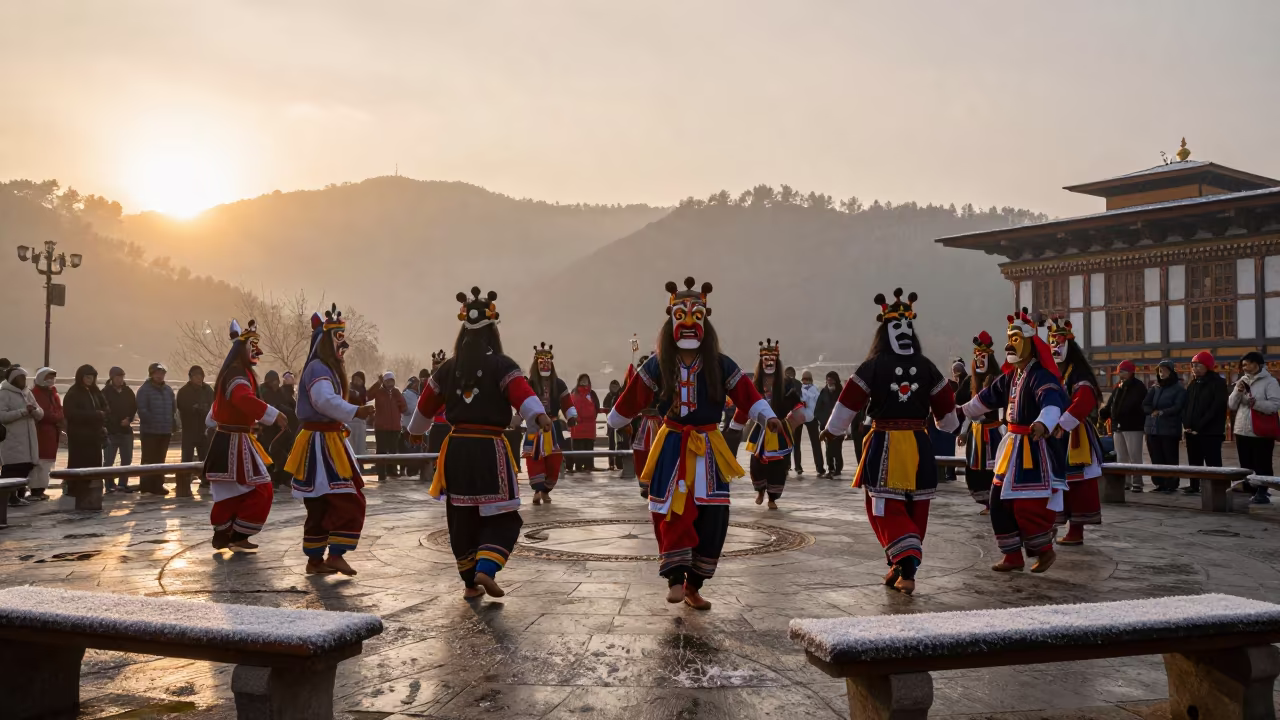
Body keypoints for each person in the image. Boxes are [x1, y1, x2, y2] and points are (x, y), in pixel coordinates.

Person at [608, 278, 776, 610]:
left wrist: (767, 416)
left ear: (705, 321)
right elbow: (634, 396)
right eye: (681, 316)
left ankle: (694, 585)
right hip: (672, 444)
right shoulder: (658, 363)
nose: (688, 323)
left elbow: (746, 392)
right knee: (672, 510)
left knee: (714, 516)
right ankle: (674, 578)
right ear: (670, 319)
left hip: (709, 448)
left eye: (697, 316)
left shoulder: (720, 363)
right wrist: (617, 419)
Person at [408, 287, 552, 599]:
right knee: (501, 513)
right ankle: (487, 568)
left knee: (462, 516)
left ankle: (470, 584)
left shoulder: (449, 367)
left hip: (457, 448)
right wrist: (538, 416)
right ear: (492, 330)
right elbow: (521, 393)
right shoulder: (502, 365)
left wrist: (416, 430)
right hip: (489, 448)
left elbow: (425, 405)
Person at [822, 289, 958, 595]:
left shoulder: (874, 365)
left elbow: (850, 400)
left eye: (905, 326)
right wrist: (949, 425)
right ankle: (899, 567)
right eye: (899, 327)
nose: (904, 332)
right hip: (920, 444)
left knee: (884, 508)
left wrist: (833, 430)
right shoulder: (927, 366)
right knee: (915, 508)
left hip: (885, 445)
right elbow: (946, 409)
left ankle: (906, 568)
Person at [960, 308, 1066, 575]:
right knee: (998, 500)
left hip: (1032, 448)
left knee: (1027, 503)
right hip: (1010, 446)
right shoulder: (1011, 376)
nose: (1009, 344)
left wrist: (1043, 422)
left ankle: (1043, 550)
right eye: (1009, 338)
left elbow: (1052, 402)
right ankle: (1011, 555)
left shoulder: (1040, 376)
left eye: (1016, 338)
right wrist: (960, 412)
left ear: (1030, 342)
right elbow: (986, 398)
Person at [284, 305, 376, 575]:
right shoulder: (318, 368)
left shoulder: (323, 368)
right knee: (346, 497)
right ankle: (332, 555)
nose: (343, 345)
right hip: (321, 442)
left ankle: (316, 561)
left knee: (322, 501)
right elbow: (323, 400)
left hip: (327, 439)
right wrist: (354, 411)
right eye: (338, 338)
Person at [205, 320, 288, 552]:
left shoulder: (234, 373)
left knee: (232, 490)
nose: (257, 352)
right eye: (253, 346)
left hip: (232, 439)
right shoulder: (236, 374)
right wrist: (272, 414)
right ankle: (236, 535)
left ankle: (226, 535)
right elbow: (242, 399)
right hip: (233, 442)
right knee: (259, 488)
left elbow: (215, 411)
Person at [1046, 316, 1103, 545]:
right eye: (1052, 342)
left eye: (1059, 342)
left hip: (1074, 434)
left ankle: (1076, 530)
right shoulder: (1051, 373)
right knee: (1056, 481)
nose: (1055, 347)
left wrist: (1063, 423)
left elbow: (1084, 400)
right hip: (1053, 433)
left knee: (1077, 484)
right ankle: (1052, 524)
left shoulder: (1078, 374)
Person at [740, 340, 804, 509]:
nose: (769, 362)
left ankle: (772, 498)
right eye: (766, 359)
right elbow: (746, 404)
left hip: (780, 429)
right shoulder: (756, 383)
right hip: (761, 430)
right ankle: (760, 490)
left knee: (778, 465)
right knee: (757, 463)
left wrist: (791, 422)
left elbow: (797, 406)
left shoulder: (786, 383)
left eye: (772, 359)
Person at [523, 343, 577, 503]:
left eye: (548, 362)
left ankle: (546, 489)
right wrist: (517, 419)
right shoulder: (529, 384)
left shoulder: (558, 384)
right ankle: (537, 490)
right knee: (534, 458)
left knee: (554, 459)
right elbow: (522, 403)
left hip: (553, 427)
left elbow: (567, 402)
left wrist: (571, 416)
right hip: (534, 427)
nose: (545, 365)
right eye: (541, 362)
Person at [956, 332, 1002, 514]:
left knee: (993, 468)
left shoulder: (998, 379)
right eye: (977, 357)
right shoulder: (971, 381)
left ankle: (994, 502)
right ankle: (986, 502)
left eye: (983, 357)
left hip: (994, 432)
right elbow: (967, 408)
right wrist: (963, 431)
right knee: (975, 469)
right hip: (976, 433)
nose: (979, 360)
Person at [1229, 351, 1280, 504]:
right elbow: (1231, 405)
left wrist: (1255, 403)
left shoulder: (1270, 382)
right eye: (1244, 364)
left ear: (1258, 364)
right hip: (1242, 429)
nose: (1246, 367)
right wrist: (1237, 392)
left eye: (1249, 363)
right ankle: (1250, 488)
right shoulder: (1242, 380)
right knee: (1246, 464)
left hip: (1261, 431)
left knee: (1263, 463)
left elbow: (1274, 405)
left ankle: (1263, 491)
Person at [1182, 351, 1228, 495]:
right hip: (1192, 431)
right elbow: (1186, 406)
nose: (1194, 368)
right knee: (1194, 461)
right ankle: (1194, 485)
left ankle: (1217, 487)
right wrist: (1187, 425)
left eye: (1198, 365)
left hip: (1210, 431)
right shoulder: (1193, 384)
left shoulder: (1218, 383)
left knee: (1212, 461)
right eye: (1193, 365)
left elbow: (1216, 408)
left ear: (1207, 366)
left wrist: (1199, 426)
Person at [1099, 360, 1147, 491]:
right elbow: (1111, 403)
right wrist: (1105, 412)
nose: (1120, 374)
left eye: (1123, 371)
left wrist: (1117, 413)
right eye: (1119, 371)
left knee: (1134, 456)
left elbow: (1134, 404)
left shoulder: (1138, 386)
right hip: (1118, 426)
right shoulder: (1118, 386)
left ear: (1131, 372)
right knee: (1121, 456)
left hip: (1132, 425)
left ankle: (1137, 483)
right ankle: (1125, 482)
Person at [0, 367, 43, 507]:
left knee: (25, 467)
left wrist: (34, 411)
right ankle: (8, 497)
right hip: (12, 439)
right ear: (13, 379)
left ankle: (17, 495)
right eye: (20, 378)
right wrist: (23, 412)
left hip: (29, 438)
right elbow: (2, 416)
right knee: (12, 469)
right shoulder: (4, 394)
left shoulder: (28, 393)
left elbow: (40, 413)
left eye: (24, 378)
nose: (23, 381)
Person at [1142, 360, 1186, 493]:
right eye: (1160, 371)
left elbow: (1178, 406)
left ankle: (1171, 484)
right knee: (1156, 457)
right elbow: (1145, 404)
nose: (1162, 374)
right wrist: (1151, 411)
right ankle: (1159, 483)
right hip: (1153, 428)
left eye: (1165, 371)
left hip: (1169, 428)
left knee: (1169, 457)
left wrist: (1162, 412)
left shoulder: (1178, 388)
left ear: (1171, 372)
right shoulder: (1155, 388)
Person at [135, 362, 176, 495]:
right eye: (157, 373)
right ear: (151, 374)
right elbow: (142, 409)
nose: (160, 376)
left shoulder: (168, 390)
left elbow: (173, 409)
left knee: (160, 459)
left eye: (162, 373)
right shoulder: (144, 390)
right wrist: (151, 421)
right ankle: (146, 485)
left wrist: (172, 423)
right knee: (148, 458)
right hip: (150, 431)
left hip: (165, 430)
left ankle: (158, 484)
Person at [64, 366, 108, 475]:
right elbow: (71, 413)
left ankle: (94, 488)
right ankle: (76, 489)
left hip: (95, 435)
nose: (90, 380)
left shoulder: (95, 391)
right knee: (79, 465)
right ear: (81, 377)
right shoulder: (73, 392)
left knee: (95, 465)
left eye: (92, 377)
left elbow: (105, 406)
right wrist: (94, 415)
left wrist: (103, 415)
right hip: (79, 436)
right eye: (87, 377)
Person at [29, 367, 63, 502]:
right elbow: (42, 414)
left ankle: (41, 488)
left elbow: (59, 410)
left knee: (47, 462)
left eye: (52, 378)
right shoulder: (34, 393)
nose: (50, 380)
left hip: (51, 433)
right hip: (40, 432)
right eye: (48, 377)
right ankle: (35, 489)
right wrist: (55, 417)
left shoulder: (53, 393)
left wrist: (58, 417)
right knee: (38, 462)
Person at [176, 365, 214, 487]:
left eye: (200, 376)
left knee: (205, 456)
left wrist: (204, 409)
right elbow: (183, 407)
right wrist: (195, 409)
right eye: (196, 376)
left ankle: (205, 479)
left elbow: (213, 406)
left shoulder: (208, 390)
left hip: (204, 428)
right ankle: (185, 481)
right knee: (187, 457)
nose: (198, 378)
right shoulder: (184, 391)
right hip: (189, 428)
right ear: (191, 377)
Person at [366, 371, 408, 480]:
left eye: (392, 381)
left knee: (393, 451)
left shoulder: (396, 392)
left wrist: (399, 402)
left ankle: (392, 471)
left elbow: (404, 408)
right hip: (381, 427)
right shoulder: (379, 392)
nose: (390, 383)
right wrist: (378, 383)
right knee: (381, 451)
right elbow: (368, 396)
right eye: (388, 381)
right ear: (384, 382)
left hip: (395, 427)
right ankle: (381, 473)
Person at [103, 367, 138, 492]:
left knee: (126, 459)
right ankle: (109, 484)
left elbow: (134, 407)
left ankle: (123, 483)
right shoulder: (105, 392)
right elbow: (105, 411)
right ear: (112, 378)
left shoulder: (128, 391)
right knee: (109, 460)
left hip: (126, 430)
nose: (120, 380)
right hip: (111, 431)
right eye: (117, 377)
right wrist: (115, 422)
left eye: (121, 377)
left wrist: (129, 419)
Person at [424, 351, 451, 480]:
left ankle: (445, 475)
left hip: (448, 425)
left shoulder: (451, 383)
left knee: (447, 454)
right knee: (433, 453)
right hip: (437, 424)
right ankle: (434, 475)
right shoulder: (431, 384)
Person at [813, 371, 843, 479]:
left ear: (835, 380)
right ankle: (831, 469)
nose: (829, 381)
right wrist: (822, 419)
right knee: (828, 448)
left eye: (831, 379)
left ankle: (838, 468)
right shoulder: (823, 392)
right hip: (826, 426)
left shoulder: (841, 392)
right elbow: (817, 410)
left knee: (837, 448)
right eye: (828, 379)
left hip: (839, 425)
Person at [569, 374, 601, 472]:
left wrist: (591, 417)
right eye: (582, 380)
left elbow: (597, 407)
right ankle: (578, 466)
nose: (584, 382)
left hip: (590, 425)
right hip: (577, 425)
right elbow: (570, 406)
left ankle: (589, 466)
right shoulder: (574, 392)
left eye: (586, 380)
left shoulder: (592, 394)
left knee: (589, 446)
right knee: (578, 447)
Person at [799, 371, 825, 478]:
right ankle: (797, 466)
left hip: (812, 418)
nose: (805, 381)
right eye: (804, 379)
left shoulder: (816, 390)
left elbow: (818, 404)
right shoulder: (799, 389)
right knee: (796, 443)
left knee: (816, 443)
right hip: (800, 417)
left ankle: (819, 466)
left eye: (807, 379)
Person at [346, 371, 370, 460]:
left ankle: (360, 464)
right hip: (349, 420)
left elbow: (362, 398)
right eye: (355, 379)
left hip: (360, 422)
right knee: (350, 445)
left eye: (359, 379)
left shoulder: (363, 392)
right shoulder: (348, 389)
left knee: (360, 445)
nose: (356, 381)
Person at [603, 379, 622, 471]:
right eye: (613, 386)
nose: (614, 388)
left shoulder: (621, 395)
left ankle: (619, 463)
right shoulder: (608, 396)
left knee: (620, 443)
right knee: (611, 444)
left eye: (616, 386)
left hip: (620, 424)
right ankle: (611, 464)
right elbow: (604, 405)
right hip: (610, 424)